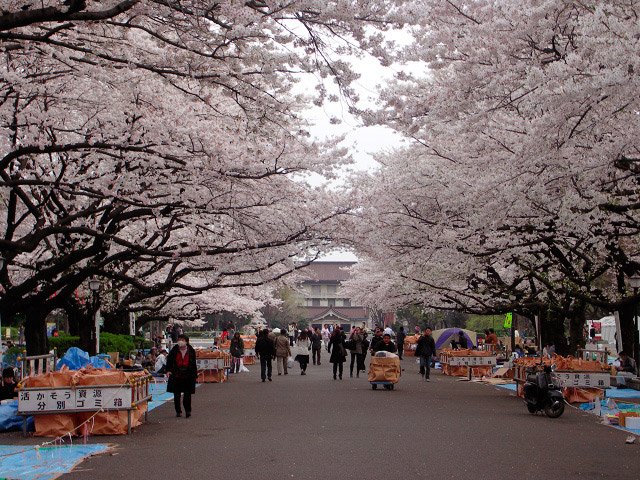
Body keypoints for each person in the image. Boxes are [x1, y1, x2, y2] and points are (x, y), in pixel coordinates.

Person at [166, 334, 197, 418]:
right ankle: (178, 411)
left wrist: (195, 376)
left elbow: (194, 364)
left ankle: (188, 410)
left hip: (188, 375)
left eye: (182, 340)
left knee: (187, 395)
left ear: (186, 341)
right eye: (179, 339)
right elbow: (169, 360)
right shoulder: (174, 350)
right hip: (176, 374)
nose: (180, 341)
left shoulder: (191, 350)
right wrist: (168, 370)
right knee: (177, 395)